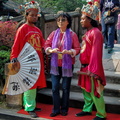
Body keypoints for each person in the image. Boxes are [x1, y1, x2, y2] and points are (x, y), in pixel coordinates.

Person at [10, 1, 46, 118]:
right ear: (26, 15)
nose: (34, 17)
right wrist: (14, 57)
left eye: (36, 15)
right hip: (27, 61)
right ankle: (29, 107)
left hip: (37, 60)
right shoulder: (23, 29)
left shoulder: (38, 30)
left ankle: (31, 104)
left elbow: (43, 44)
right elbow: (16, 45)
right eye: (32, 15)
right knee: (29, 84)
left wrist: (49, 49)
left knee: (34, 83)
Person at [44, 12, 80, 117]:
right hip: (55, 65)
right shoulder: (53, 33)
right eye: (59, 20)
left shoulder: (72, 35)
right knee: (54, 88)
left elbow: (77, 49)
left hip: (67, 65)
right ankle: (56, 109)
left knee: (65, 88)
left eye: (63, 20)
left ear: (68, 22)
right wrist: (50, 50)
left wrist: (70, 52)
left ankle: (64, 109)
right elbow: (46, 44)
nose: (60, 22)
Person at [75, 3, 107, 120]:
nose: (81, 21)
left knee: (95, 92)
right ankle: (87, 109)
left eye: (83, 19)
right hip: (85, 67)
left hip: (92, 68)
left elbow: (96, 53)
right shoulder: (87, 33)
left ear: (91, 19)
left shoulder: (96, 33)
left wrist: (93, 69)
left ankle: (101, 114)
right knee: (86, 91)